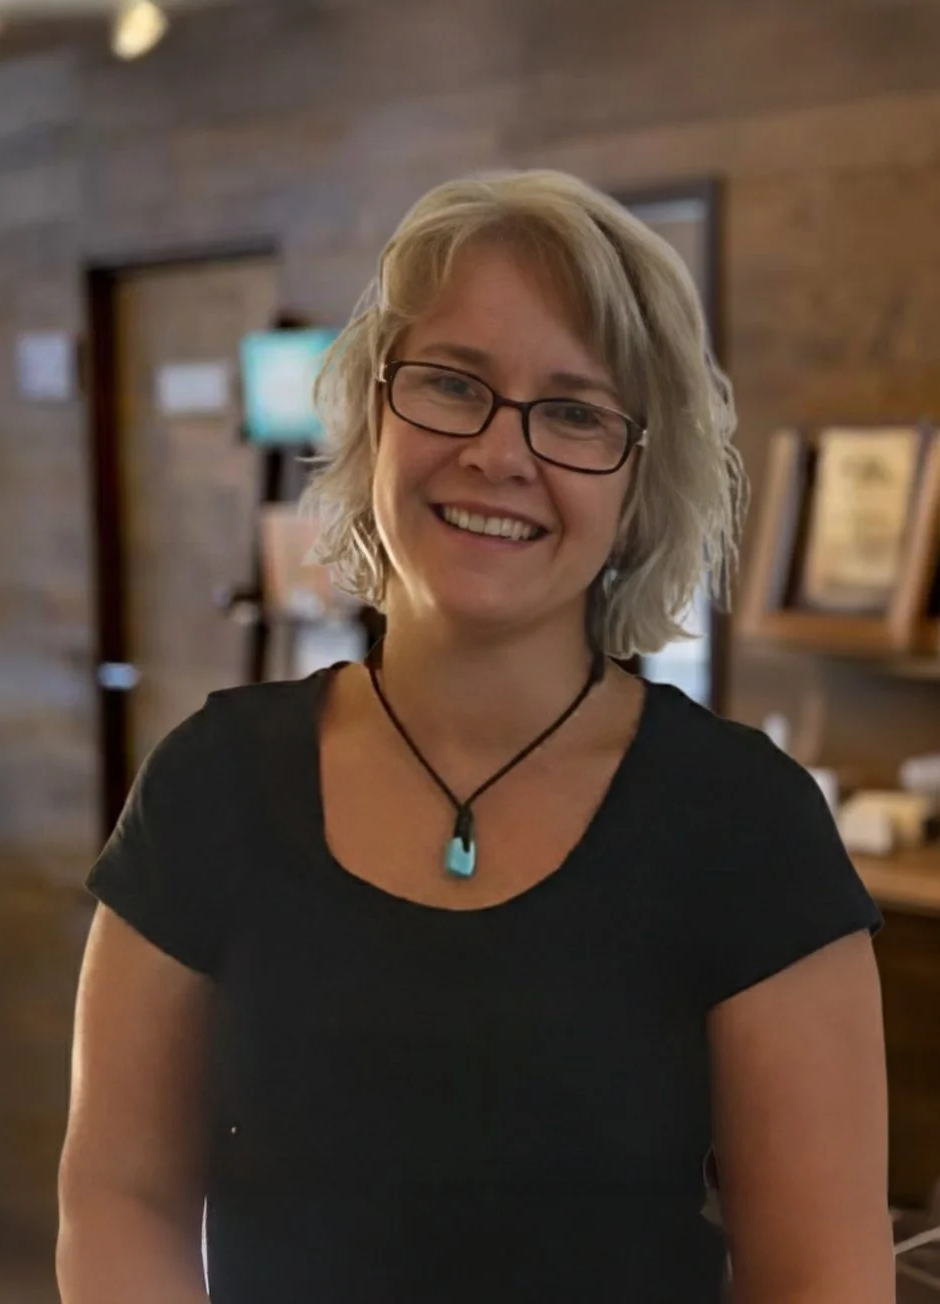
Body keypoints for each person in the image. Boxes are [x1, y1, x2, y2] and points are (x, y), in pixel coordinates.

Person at [57, 169, 893, 1304]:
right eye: (452, 384)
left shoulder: (746, 823)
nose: (502, 453)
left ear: (640, 479)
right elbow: (121, 1193)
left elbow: (821, 1280)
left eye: (574, 410)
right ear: (370, 410)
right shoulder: (211, 785)